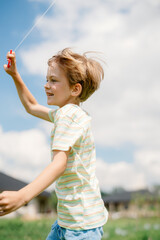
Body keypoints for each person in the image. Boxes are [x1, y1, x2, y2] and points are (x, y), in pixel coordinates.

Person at [0, 48, 108, 239]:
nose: (46, 85)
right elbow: (31, 106)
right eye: (47, 79)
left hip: (80, 227)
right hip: (70, 220)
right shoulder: (69, 114)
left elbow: (59, 164)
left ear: (75, 89)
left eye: (54, 80)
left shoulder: (68, 116)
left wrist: (22, 197)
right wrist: (15, 75)